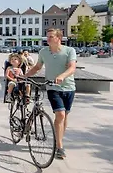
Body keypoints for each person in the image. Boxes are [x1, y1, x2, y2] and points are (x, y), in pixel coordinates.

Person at [24, 29, 77, 160]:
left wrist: (62, 76)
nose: (47, 39)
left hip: (69, 87)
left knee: (65, 116)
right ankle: (59, 147)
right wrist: (25, 76)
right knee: (60, 114)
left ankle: (59, 140)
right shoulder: (44, 52)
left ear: (59, 38)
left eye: (51, 37)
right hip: (52, 87)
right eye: (47, 37)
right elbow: (37, 67)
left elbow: (72, 67)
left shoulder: (69, 51)